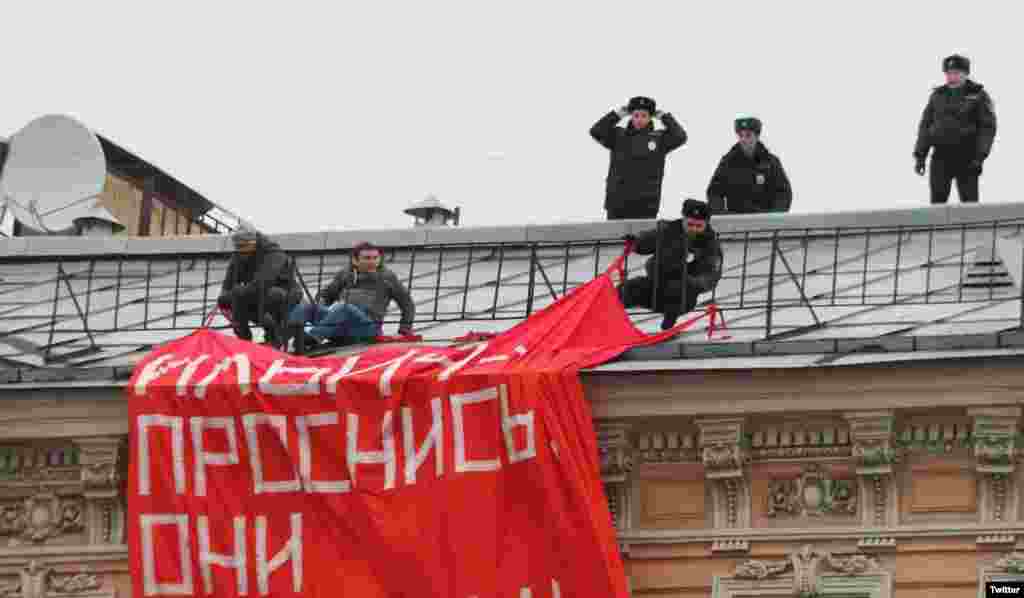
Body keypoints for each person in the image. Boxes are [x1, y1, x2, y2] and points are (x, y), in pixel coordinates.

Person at [285, 241, 415, 353]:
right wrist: (321, 304)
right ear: (355, 260)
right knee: (308, 307)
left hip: (367, 330)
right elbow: (326, 294)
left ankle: (311, 338)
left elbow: (407, 304)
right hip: (339, 326)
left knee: (344, 307)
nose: (372, 262)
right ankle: (281, 339)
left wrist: (404, 331)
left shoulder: (387, 277)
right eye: (367, 258)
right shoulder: (345, 274)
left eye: (375, 258)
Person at [619, 198, 723, 330]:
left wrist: (689, 281)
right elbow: (649, 240)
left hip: (683, 294)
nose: (694, 229)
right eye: (690, 225)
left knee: (677, 289)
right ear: (683, 219)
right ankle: (606, 323)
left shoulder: (711, 245)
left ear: (706, 224)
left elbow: (710, 276)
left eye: (699, 226)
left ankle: (668, 324)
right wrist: (636, 241)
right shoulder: (669, 230)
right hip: (656, 287)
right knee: (626, 290)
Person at [913, 54, 997, 204]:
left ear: (965, 73)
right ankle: (938, 228)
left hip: (967, 157)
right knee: (937, 204)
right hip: (940, 157)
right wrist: (920, 156)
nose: (952, 76)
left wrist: (979, 157)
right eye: (949, 73)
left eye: (956, 73)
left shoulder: (978, 95)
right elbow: (925, 126)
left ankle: (970, 227)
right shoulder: (937, 96)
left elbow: (988, 128)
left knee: (969, 204)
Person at [590, 96, 688, 220]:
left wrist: (665, 117)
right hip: (617, 203)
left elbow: (680, 136)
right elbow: (596, 131)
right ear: (631, 116)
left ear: (650, 117)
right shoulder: (617, 136)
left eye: (644, 115)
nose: (639, 119)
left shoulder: (660, 139)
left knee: (645, 239)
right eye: (636, 115)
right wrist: (617, 114)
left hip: (646, 205)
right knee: (617, 238)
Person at [217, 228, 301, 349]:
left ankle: (273, 336)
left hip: (283, 292)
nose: (241, 251)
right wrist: (225, 298)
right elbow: (228, 284)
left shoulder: (273, 254)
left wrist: (239, 292)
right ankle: (243, 339)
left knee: (269, 295)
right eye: (238, 247)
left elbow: (263, 282)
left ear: (253, 243)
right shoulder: (238, 255)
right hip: (255, 293)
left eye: (244, 247)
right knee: (228, 299)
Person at [706, 117, 792, 214]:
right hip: (736, 223)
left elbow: (784, 193)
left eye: (748, 135)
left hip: (765, 222)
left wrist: (774, 216)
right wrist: (722, 215)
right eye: (740, 135)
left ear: (757, 136)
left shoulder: (771, 162)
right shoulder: (728, 162)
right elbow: (714, 192)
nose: (743, 139)